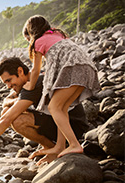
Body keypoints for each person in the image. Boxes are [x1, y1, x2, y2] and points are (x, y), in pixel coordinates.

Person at [0, 57, 89, 167]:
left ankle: (55, 149)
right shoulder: (29, 82)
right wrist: (12, 103)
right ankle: (51, 147)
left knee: (17, 120)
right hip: (60, 124)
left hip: (72, 126)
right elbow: (7, 100)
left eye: (9, 80)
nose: (8, 86)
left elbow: (6, 120)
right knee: (7, 110)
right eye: (5, 83)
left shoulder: (33, 85)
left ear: (20, 71)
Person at [22, 15, 100, 158]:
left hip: (73, 68)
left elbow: (35, 69)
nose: (29, 42)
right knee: (62, 109)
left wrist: (30, 86)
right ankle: (60, 146)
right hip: (86, 67)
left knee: (54, 107)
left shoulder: (38, 41)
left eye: (28, 39)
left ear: (31, 33)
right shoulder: (57, 35)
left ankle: (74, 144)